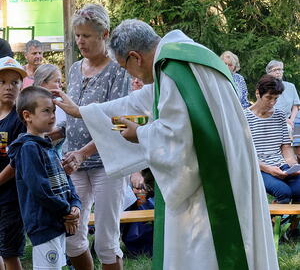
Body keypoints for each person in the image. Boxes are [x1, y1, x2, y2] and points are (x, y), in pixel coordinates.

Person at [53, 19, 278, 270]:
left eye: (125, 67)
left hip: (211, 180)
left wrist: (140, 134)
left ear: (135, 57)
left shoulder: (173, 69)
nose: (129, 74)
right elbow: (138, 103)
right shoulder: (185, 57)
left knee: (206, 252)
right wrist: (83, 112)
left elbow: (178, 137)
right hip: (231, 165)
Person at [58, 4, 130, 270]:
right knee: (72, 238)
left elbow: (116, 124)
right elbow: (72, 115)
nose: (80, 41)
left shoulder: (117, 70)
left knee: (106, 241)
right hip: (73, 162)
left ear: (104, 34)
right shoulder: (75, 68)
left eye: (86, 35)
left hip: (107, 164)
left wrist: (83, 153)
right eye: (77, 35)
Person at [8, 86, 81, 270]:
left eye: (54, 110)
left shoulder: (47, 145)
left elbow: (66, 181)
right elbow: (40, 191)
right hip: (44, 225)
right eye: (46, 111)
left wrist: (75, 205)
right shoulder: (28, 148)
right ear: (27, 116)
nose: (53, 115)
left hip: (58, 221)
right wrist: (66, 211)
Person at [244, 74, 300, 204]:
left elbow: (285, 148)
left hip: (281, 166)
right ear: (258, 93)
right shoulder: (244, 117)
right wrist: (267, 168)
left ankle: (292, 225)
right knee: (283, 192)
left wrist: (293, 165)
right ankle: (271, 223)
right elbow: (243, 154)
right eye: (269, 97)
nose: (272, 103)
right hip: (258, 167)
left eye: (276, 98)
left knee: (299, 189)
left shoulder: (280, 115)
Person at [0, 56, 27, 270]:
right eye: (2, 82)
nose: (8, 87)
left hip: (11, 197)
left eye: (14, 82)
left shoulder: (20, 119)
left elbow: (18, 160)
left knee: (9, 253)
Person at [33, 64, 66, 156]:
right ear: (43, 83)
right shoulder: (30, 104)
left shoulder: (61, 103)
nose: (61, 85)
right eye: (57, 81)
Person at [265, 60, 300, 134]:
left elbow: (295, 106)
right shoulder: (266, 87)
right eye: (274, 70)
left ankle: (296, 144)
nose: (278, 72)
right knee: (288, 129)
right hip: (273, 119)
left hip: (291, 119)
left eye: (280, 69)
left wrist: (292, 120)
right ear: (268, 74)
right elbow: (267, 107)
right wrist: (286, 120)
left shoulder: (291, 86)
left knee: (295, 128)